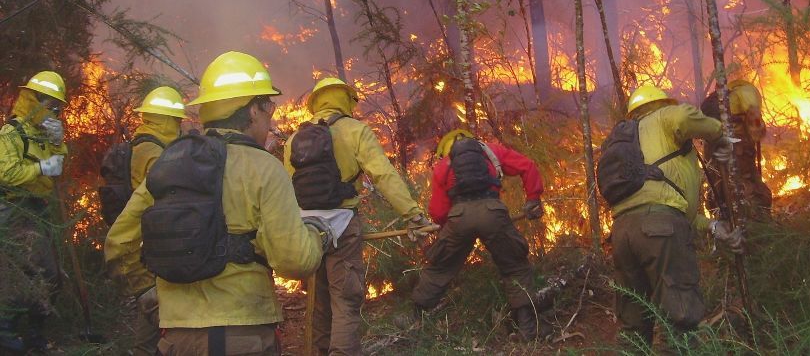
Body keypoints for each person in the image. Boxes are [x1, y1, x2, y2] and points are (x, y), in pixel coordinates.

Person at [105, 52, 325, 355]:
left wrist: (145, 291)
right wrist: (317, 234)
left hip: (175, 339)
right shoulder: (263, 167)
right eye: (268, 108)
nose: (270, 117)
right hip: (243, 335)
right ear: (252, 111)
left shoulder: (169, 164)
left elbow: (118, 242)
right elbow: (294, 261)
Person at [283, 77, 434, 355]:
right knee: (345, 301)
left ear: (315, 103)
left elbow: (285, 190)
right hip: (342, 227)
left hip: (306, 230)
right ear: (346, 100)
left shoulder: (294, 139)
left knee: (318, 302)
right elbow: (383, 175)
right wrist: (412, 214)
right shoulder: (355, 130)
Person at [608, 85, 741, 345]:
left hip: (622, 233)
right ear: (663, 103)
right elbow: (683, 118)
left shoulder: (630, 139)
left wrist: (712, 226)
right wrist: (719, 135)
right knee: (680, 318)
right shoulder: (664, 116)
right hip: (660, 229)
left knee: (633, 323)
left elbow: (674, 208)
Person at [407, 129, 548, 341]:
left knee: (439, 267)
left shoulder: (443, 165)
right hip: (493, 212)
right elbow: (527, 166)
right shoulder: (492, 151)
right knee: (515, 264)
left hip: (459, 217)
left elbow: (437, 212)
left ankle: (415, 320)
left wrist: (449, 228)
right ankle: (527, 326)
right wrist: (533, 198)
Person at [0, 71, 68, 352]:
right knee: (19, 274)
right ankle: (7, 335)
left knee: (49, 275)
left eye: (57, 106)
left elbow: (60, 166)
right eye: (50, 104)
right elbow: (5, 172)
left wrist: (58, 144)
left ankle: (35, 333)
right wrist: (40, 168)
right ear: (34, 100)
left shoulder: (44, 134)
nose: (54, 111)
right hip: (14, 209)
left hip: (39, 211)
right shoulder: (10, 133)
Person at [121, 86, 187, 356]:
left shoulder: (142, 143)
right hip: (155, 241)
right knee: (159, 320)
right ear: (167, 120)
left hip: (145, 238)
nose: (180, 127)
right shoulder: (153, 152)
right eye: (177, 120)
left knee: (152, 317)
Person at [701, 80, 771, 220]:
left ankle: (726, 221)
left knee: (720, 188)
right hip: (737, 147)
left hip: (713, 146)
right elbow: (756, 126)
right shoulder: (747, 92)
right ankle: (756, 223)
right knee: (746, 186)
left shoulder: (715, 101)